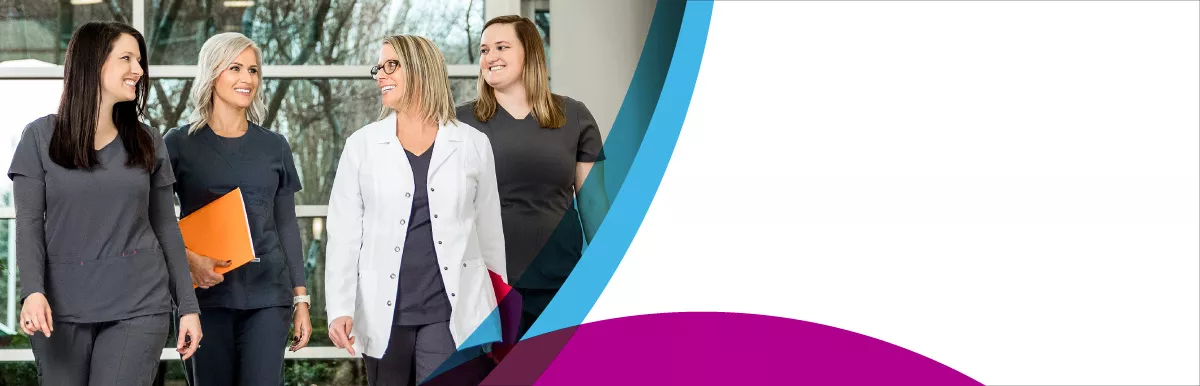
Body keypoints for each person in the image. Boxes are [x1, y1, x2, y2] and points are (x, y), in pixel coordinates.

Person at [9, 21, 203, 385]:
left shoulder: (148, 141)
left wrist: (188, 307)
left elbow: (166, 228)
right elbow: (29, 224)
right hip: (59, 307)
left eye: (140, 60)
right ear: (92, 64)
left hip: (139, 304)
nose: (139, 70)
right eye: (126, 59)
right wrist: (32, 292)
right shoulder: (39, 138)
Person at [324, 34, 507, 385]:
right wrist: (341, 307)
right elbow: (344, 234)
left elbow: (489, 233)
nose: (381, 75)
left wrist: (497, 311)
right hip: (383, 311)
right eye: (379, 67)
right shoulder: (362, 146)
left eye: (392, 65)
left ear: (422, 69)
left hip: (451, 311)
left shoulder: (471, 144)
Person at [160, 32, 312, 385]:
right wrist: (188, 260)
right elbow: (157, 220)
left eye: (253, 70)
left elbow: (286, 226)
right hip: (204, 299)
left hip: (267, 296)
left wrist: (300, 300)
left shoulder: (275, 146)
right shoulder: (178, 144)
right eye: (235, 68)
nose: (247, 79)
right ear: (212, 72)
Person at [456, 15, 611, 336]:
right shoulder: (459, 123)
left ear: (530, 53)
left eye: (501, 47)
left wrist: (610, 272)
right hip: (485, 288)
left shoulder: (574, 116)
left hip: (559, 283)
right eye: (484, 50)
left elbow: (594, 202)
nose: (490, 57)